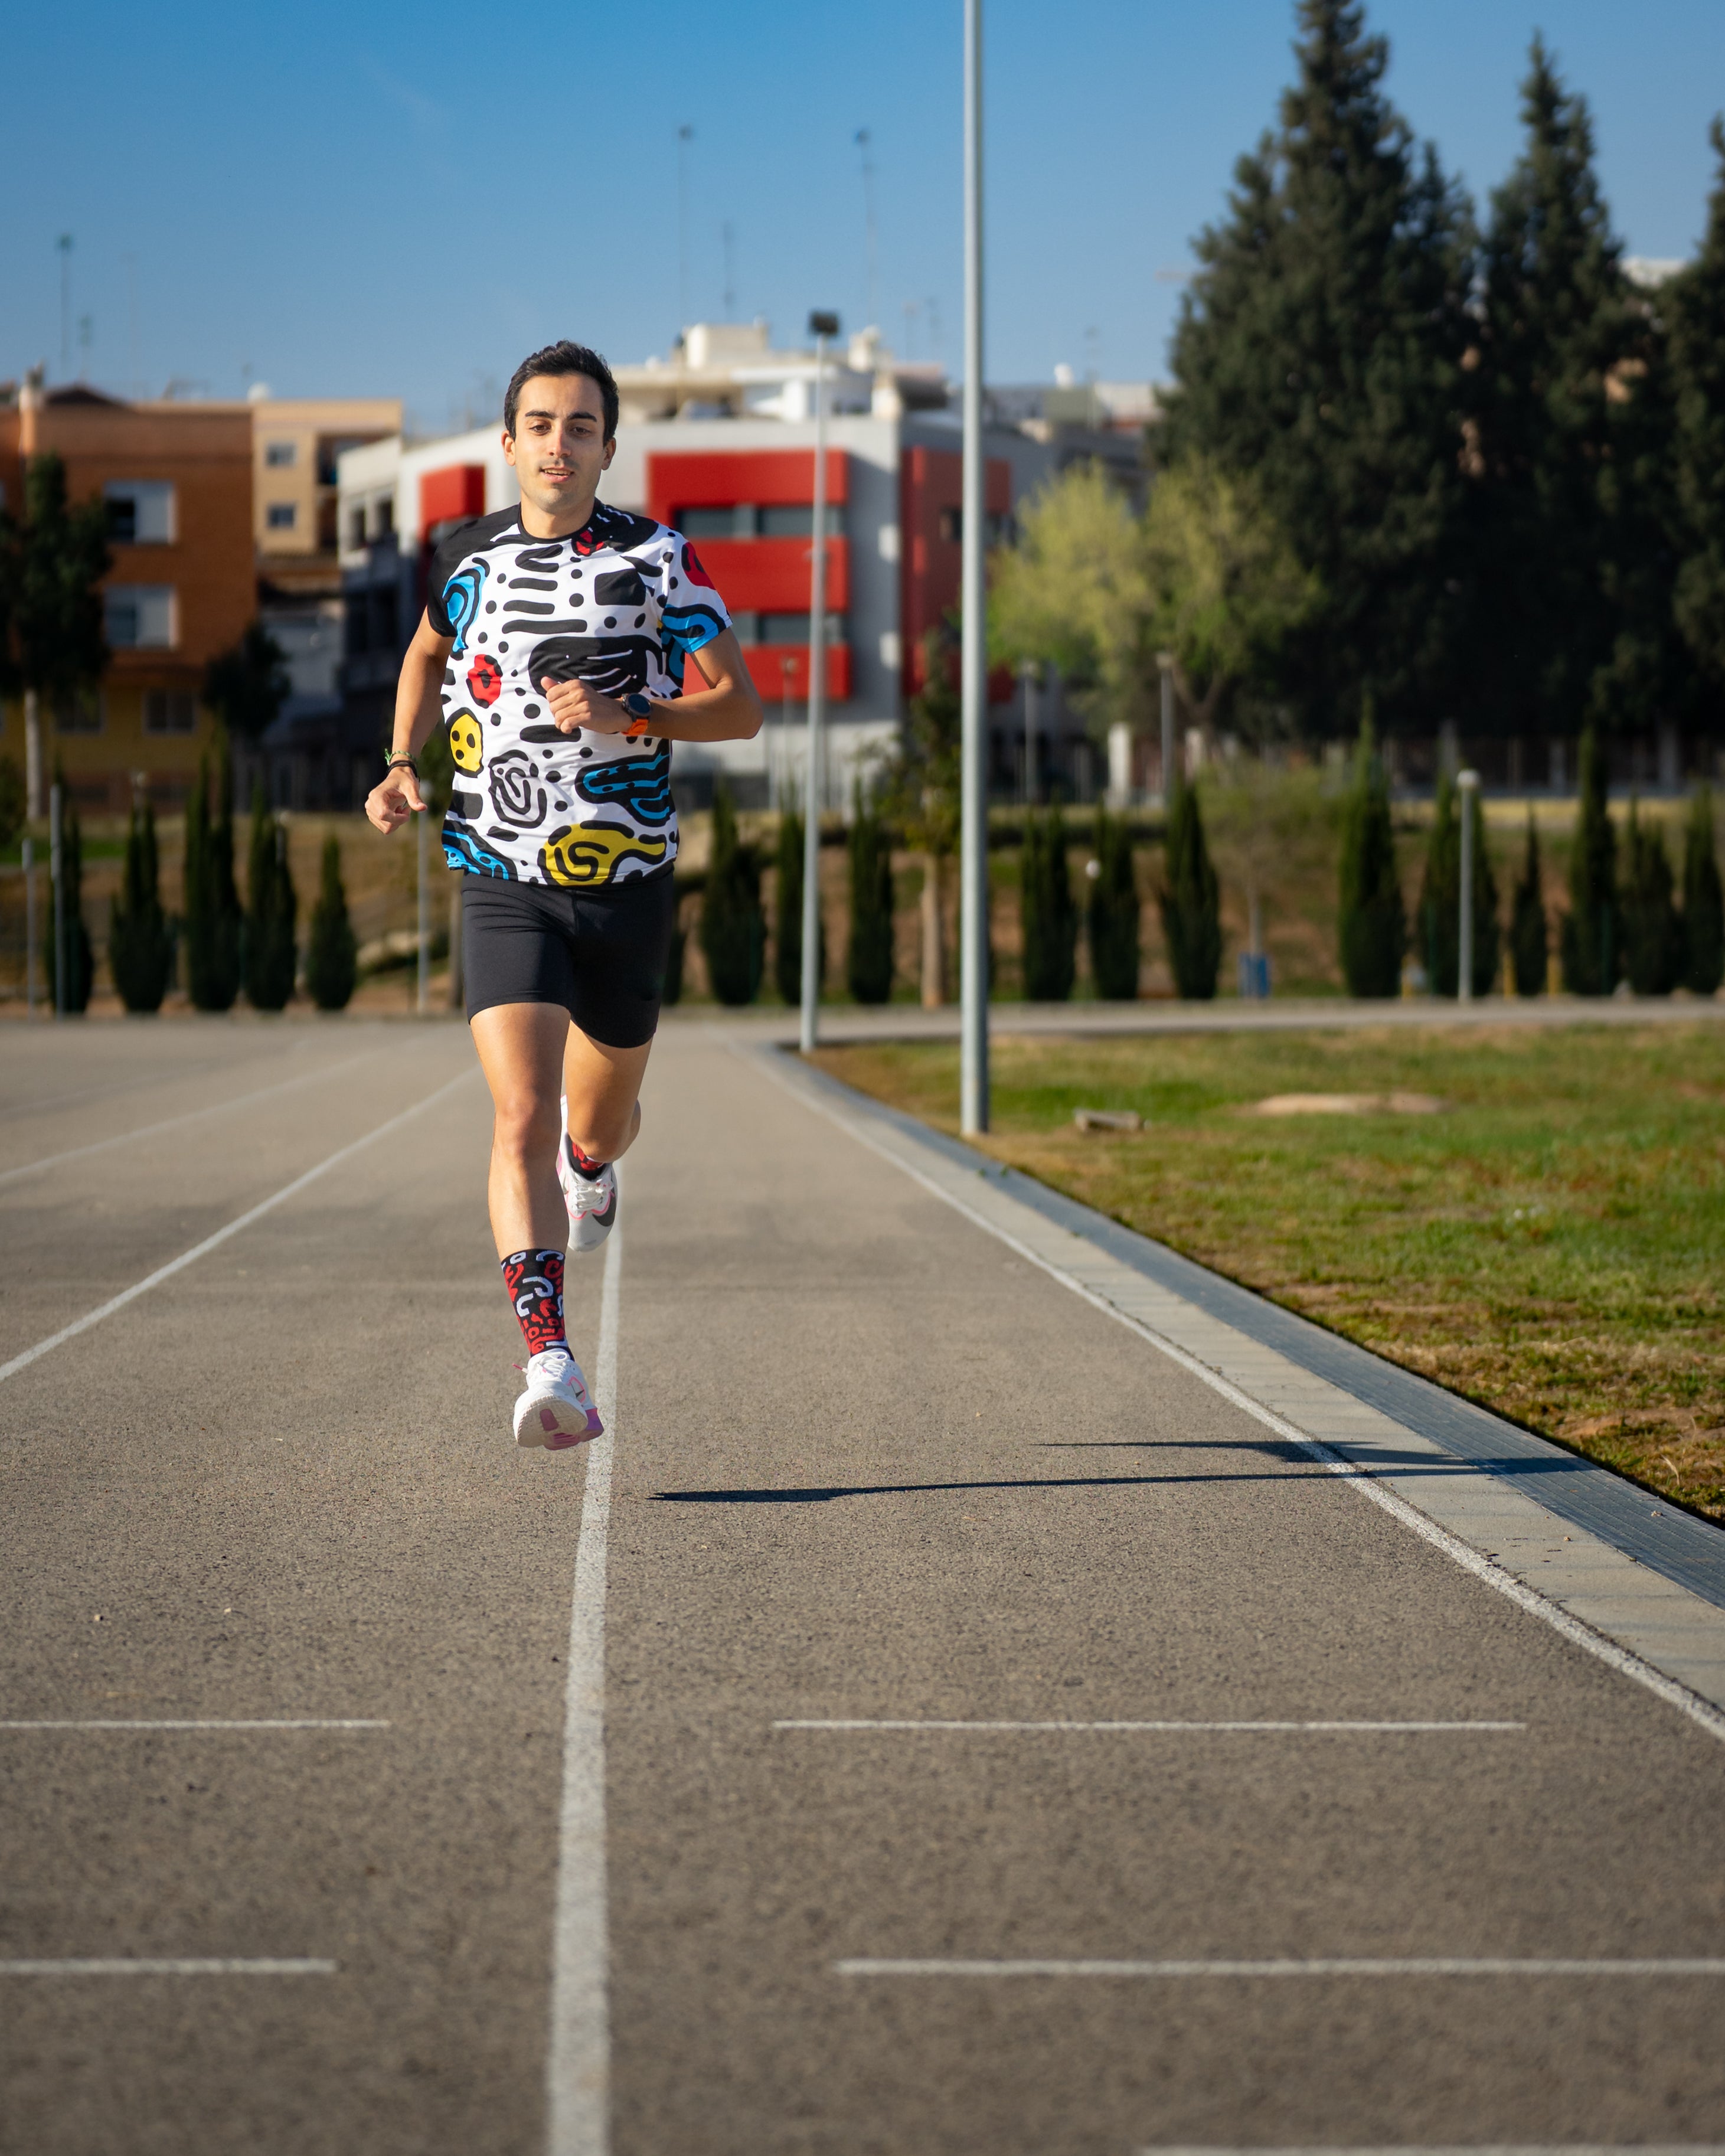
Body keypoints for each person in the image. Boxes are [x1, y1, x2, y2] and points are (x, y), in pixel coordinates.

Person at [365, 339, 763, 1449]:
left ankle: (591, 1172)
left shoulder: (659, 561)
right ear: (509, 443)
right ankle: (550, 1358)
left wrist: (635, 716)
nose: (557, 442)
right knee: (518, 1113)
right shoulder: (461, 553)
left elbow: (739, 709)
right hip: (498, 871)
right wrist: (401, 766)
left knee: (598, 1121)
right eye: (539, 424)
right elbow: (422, 655)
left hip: (623, 881)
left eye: (579, 425)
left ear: (606, 446)